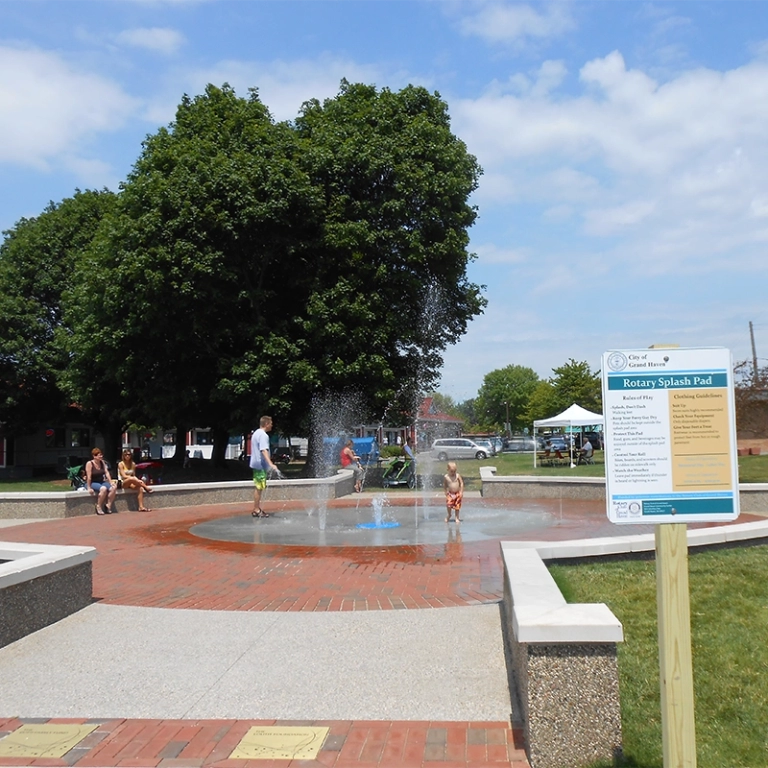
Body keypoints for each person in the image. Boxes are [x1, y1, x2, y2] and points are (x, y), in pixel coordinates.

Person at [250, 416, 278, 518]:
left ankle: (256, 508)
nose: (272, 425)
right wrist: (270, 464)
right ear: (266, 424)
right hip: (260, 465)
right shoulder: (263, 435)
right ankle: (256, 509)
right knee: (259, 487)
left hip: (256, 464)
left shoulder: (256, 433)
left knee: (259, 486)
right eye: (271, 423)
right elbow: (264, 450)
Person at [86, 447, 117, 515]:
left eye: (101, 455)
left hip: (101, 481)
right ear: (94, 456)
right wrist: (89, 487)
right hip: (93, 482)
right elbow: (89, 476)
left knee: (113, 488)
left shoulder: (102, 462)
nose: (101, 456)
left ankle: (108, 506)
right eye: (99, 455)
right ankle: (98, 506)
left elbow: (106, 473)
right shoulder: (89, 463)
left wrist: (110, 482)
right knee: (103, 489)